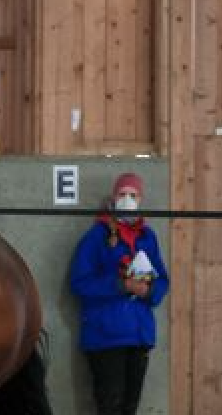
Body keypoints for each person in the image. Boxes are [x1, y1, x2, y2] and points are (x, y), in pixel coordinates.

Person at [69, 172, 170, 415]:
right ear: (114, 198)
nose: (128, 199)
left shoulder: (149, 238)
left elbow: (163, 281)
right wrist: (120, 286)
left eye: (133, 195)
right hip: (105, 336)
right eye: (122, 194)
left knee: (130, 407)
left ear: (140, 199)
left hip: (139, 335)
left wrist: (149, 290)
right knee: (109, 407)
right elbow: (79, 282)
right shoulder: (96, 237)